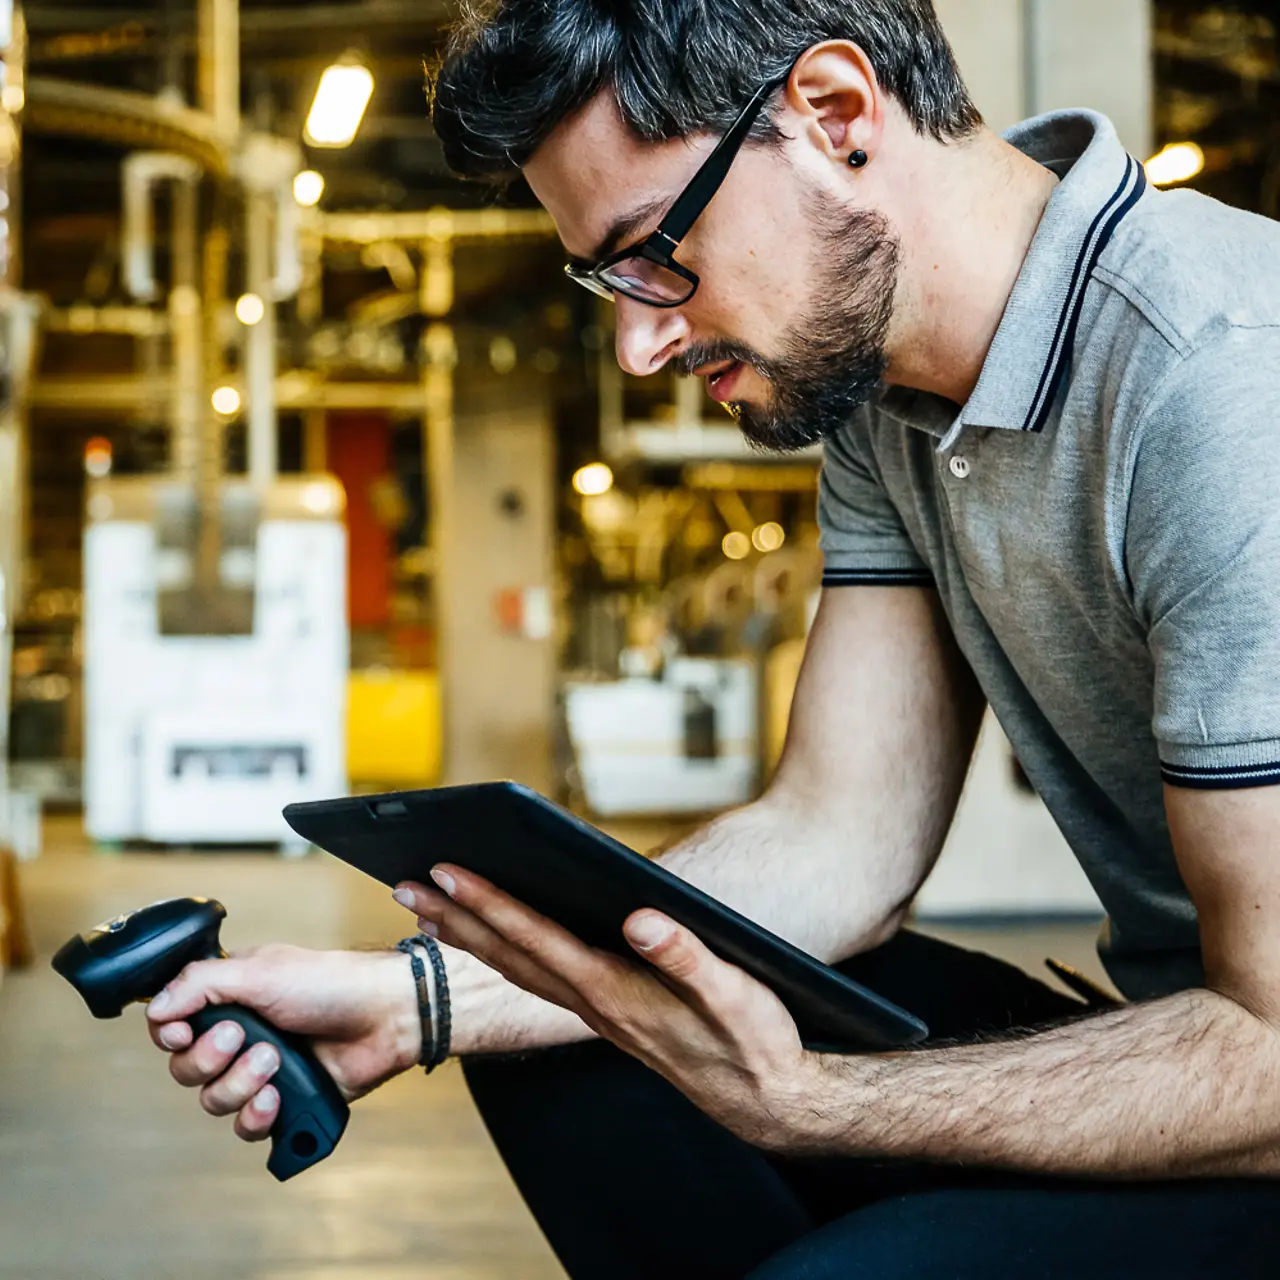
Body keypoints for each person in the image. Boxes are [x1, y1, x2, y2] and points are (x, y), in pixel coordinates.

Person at [144, 2, 1280, 1275]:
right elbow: (840, 835)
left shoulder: (1222, 376)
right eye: (609, 281)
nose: (639, 343)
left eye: (655, 252)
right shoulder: (879, 392)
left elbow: (1271, 1047)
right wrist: (420, 996)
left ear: (835, 116)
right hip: (1208, 1046)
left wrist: (813, 1103)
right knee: (581, 1049)